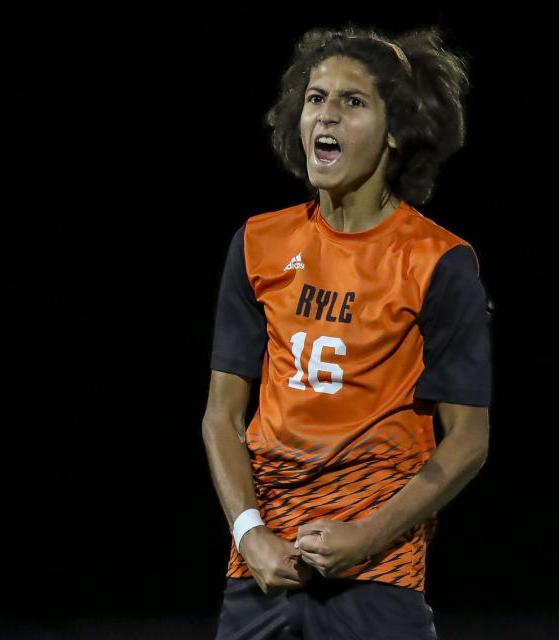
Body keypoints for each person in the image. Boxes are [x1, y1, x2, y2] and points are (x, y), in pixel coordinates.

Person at [201, 24, 492, 639]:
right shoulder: (258, 244)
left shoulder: (439, 261)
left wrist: (365, 536)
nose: (325, 113)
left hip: (379, 578)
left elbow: (467, 441)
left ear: (394, 134)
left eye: (351, 101)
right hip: (261, 573)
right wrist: (250, 534)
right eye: (315, 98)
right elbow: (221, 416)